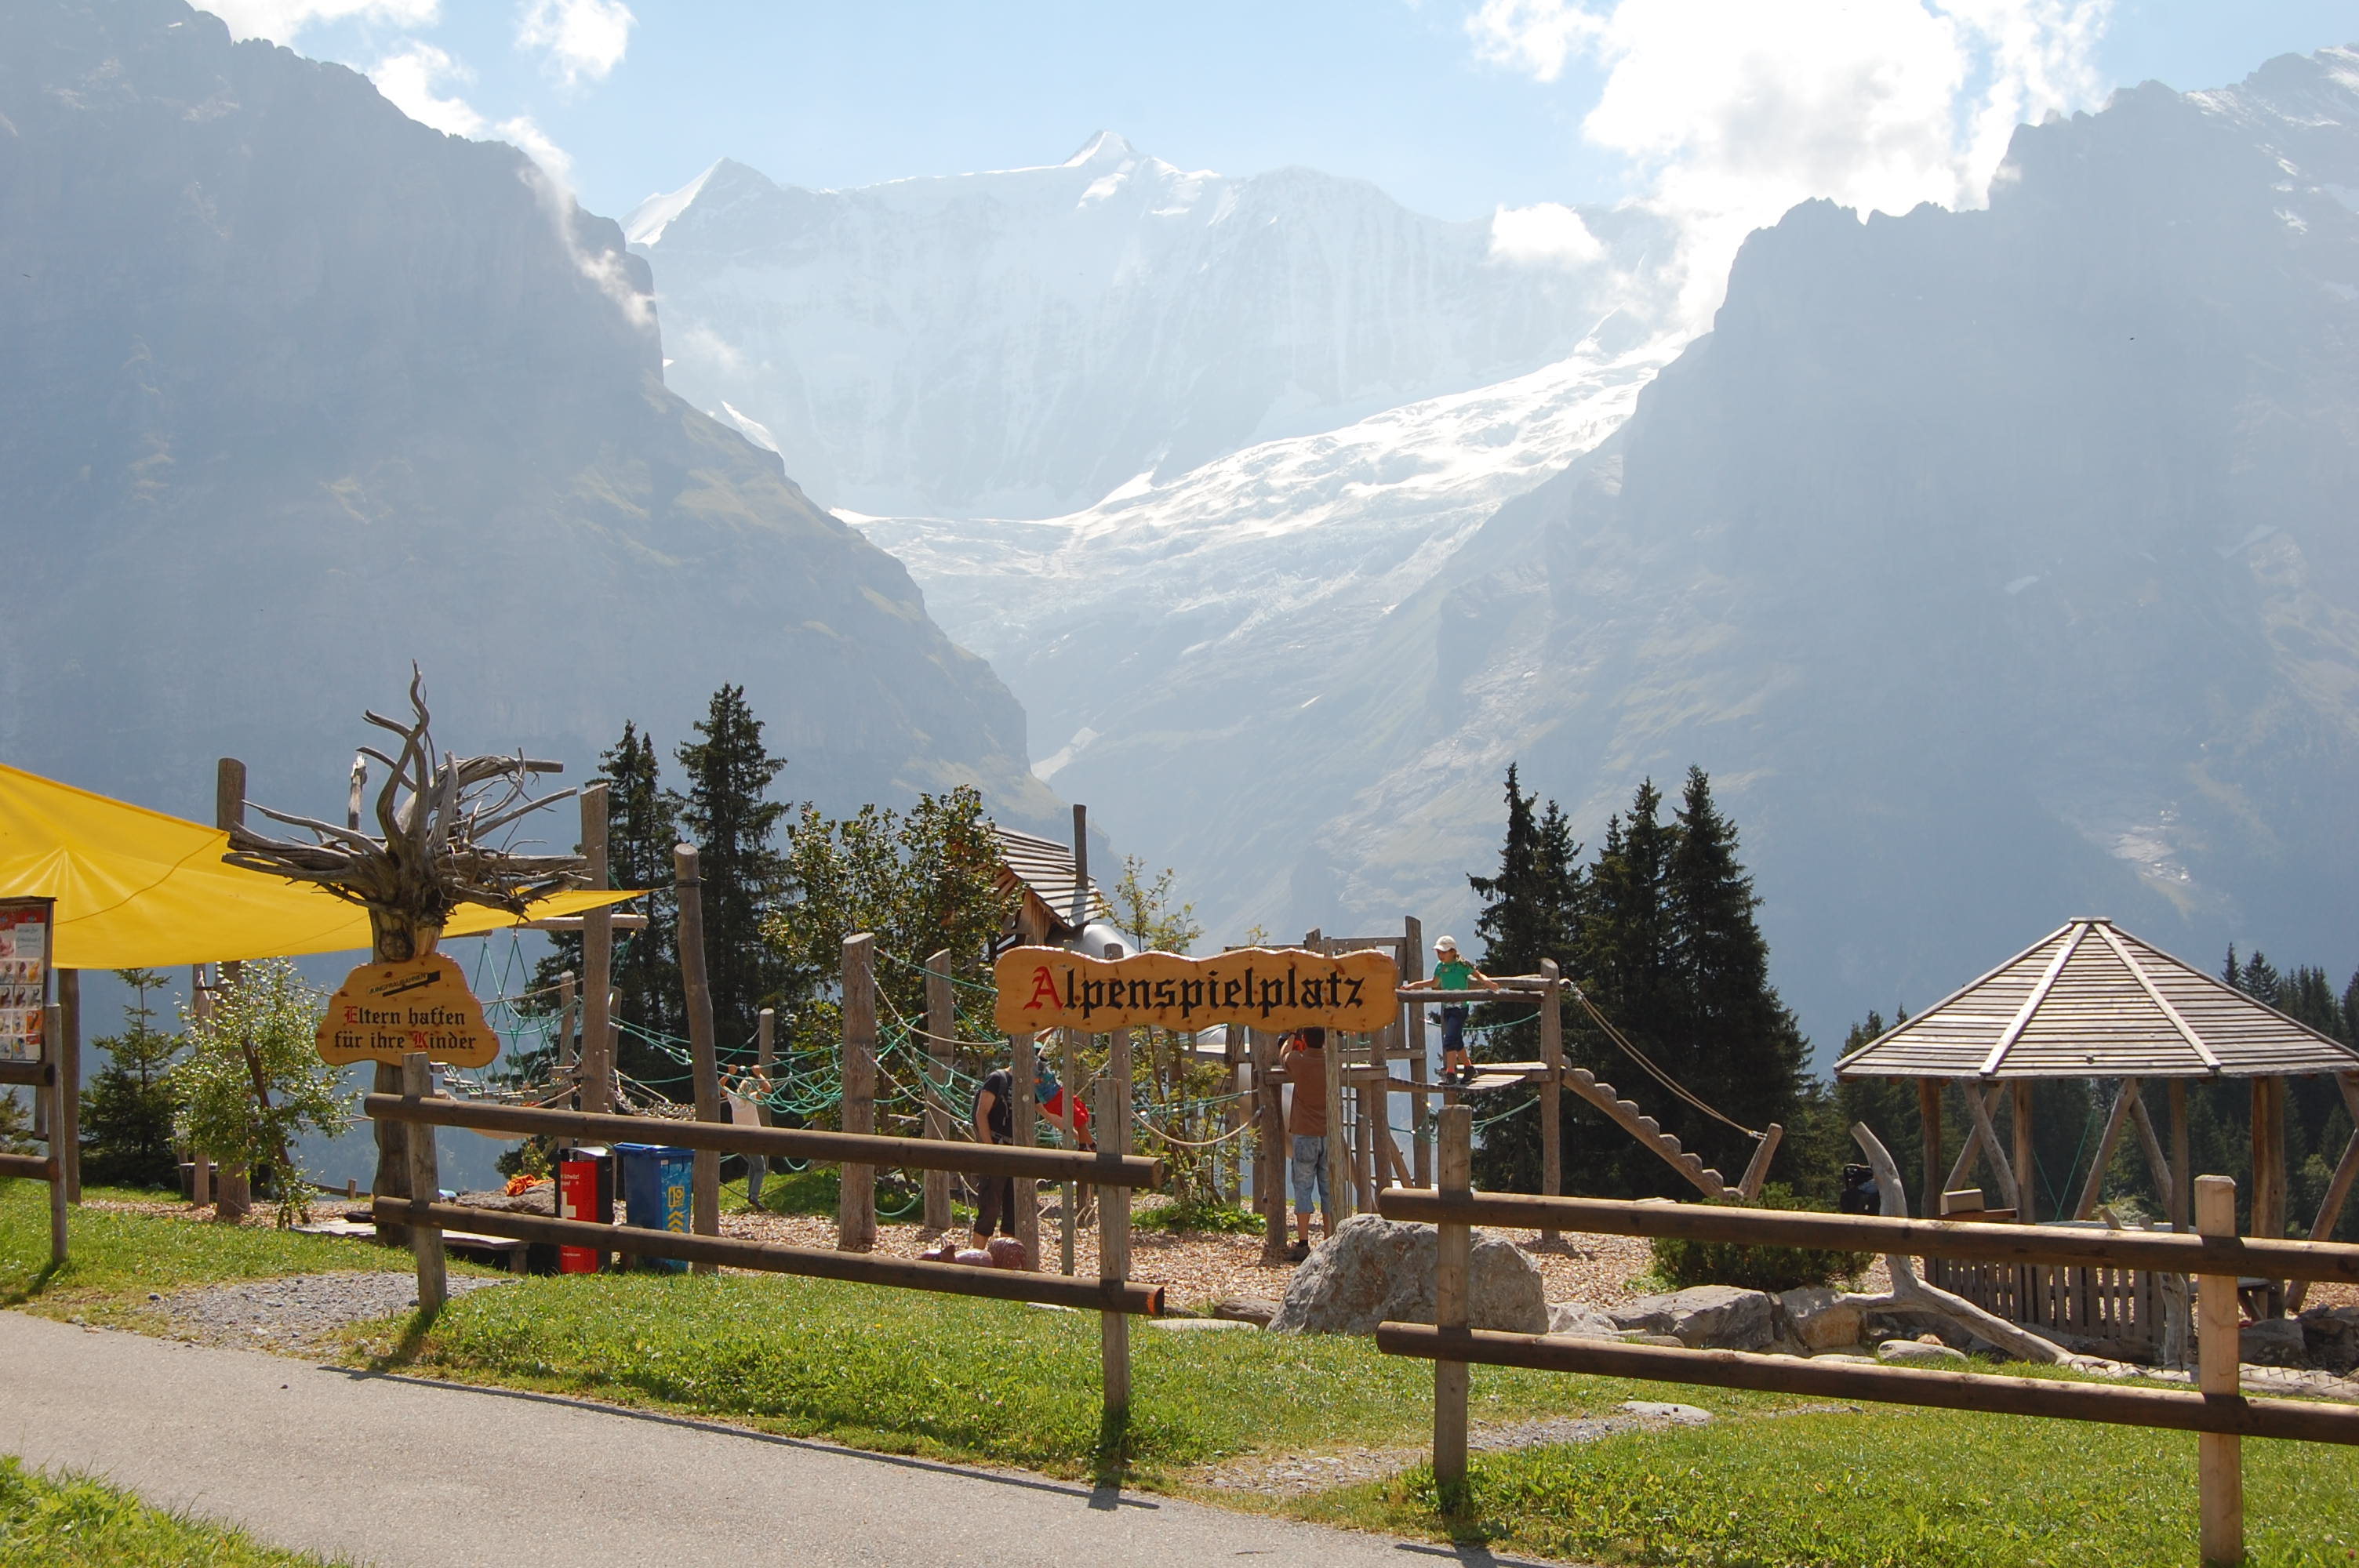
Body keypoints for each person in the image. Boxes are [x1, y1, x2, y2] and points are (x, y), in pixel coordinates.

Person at [1403, 935, 1497, 1085]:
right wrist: (1414, 985)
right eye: (1439, 952)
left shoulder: (1462, 965)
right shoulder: (1440, 967)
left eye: (1443, 952)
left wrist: (1487, 982)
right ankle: (1469, 1068)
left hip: (1460, 1008)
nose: (1440, 955)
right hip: (1447, 1008)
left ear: (1453, 952)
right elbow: (1434, 982)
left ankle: (1451, 1073)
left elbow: (1478, 975)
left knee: (1449, 1041)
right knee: (1456, 1040)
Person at [1282, 1026, 1331, 1261]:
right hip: (1328, 1131)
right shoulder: (1332, 1063)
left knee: (1303, 1186)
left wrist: (1292, 1036)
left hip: (1304, 1132)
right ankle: (1330, 1239)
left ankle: (1303, 1242)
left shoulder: (1298, 1062)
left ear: (1306, 1039)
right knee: (1328, 1188)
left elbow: (1283, 1055)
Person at [969, 1054, 1021, 1254]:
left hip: (1015, 1151)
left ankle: (1003, 1259)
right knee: (989, 1209)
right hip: (996, 1145)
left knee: (1013, 1210)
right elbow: (981, 1113)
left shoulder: (1026, 1083)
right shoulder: (997, 1079)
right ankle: (978, 1258)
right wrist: (990, 1148)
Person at [728, 1069, 772, 1210]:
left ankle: (751, 1194)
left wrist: (729, 1074)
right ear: (751, 1089)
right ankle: (754, 1195)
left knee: (754, 1165)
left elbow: (719, 1085)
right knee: (761, 1168)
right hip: (752, 1139)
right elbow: (768, 1088)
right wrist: (759, 1074)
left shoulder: (734, 1098)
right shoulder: (752, 1098)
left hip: (736, 1140)